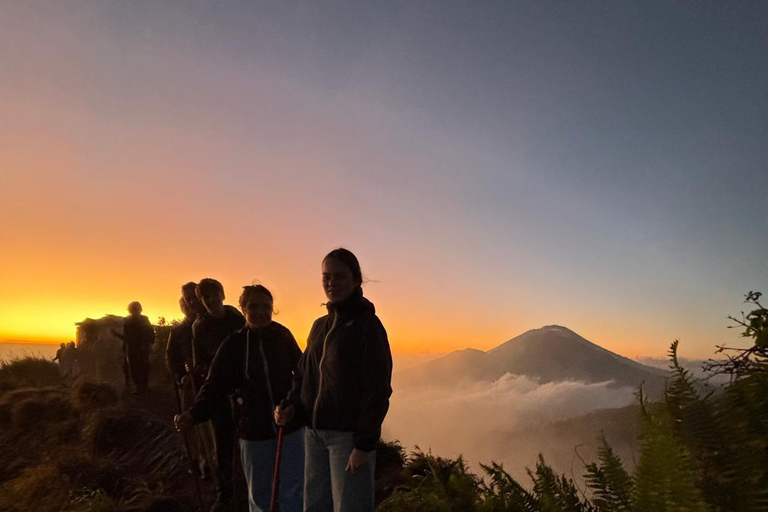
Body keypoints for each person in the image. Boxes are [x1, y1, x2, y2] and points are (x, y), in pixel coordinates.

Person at [275, 248, 393, 512]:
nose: (331, 283)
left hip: (347, 438)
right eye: (326, 276)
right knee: (314, 506)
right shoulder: (319, 326)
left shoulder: (368, 326)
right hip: (314, 434)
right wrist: (290, 405)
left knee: (350, 506)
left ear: (356, 280)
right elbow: (304, 374)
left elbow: (377, 389)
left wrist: (363, 445)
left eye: (340, 276)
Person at [176, 285, 304, 512]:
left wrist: (293, 405)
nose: (260, 312)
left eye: (266, 307)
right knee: (259, 494)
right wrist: (193, 414)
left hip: (290, 429)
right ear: (243, 309)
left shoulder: (282, 336)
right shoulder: (234, 344)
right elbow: (214, 386)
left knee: (293, 490)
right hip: (254, 431)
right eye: (253, 306)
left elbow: (302, 374)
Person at [192, 278, 245, 512]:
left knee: (248, 441)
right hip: (218, 393)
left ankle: (249, 490)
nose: (211, 300)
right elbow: (199, 362)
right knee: (222, 445)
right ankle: (224, 494)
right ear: (201, 301)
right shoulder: (199, 327)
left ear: (223, 294)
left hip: (244, 390)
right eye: (206, 297)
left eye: (215, 295)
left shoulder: (237, 320)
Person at [167, 289, 211, 479]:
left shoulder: (209, 325)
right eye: (187, 301)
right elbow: (171, 357)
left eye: (194, 299)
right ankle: (195, 460)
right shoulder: (178, 330)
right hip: (189, 384)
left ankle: (209, 462)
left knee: (209, 426)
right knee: (190, 424)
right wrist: (180, 376)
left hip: (208, 383)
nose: (191, 304)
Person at [122, 301, 155, 394]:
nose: (135, 311)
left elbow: (150, 332)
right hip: (132, 349)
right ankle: (138, 386)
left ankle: (144, 386)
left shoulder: (144, 320)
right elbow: (126, 336)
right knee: (134, 368)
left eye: (136, 309)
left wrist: (148, 343)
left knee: (145, 367)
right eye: (133, 309)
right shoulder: (127, 321)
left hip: (143, 348)